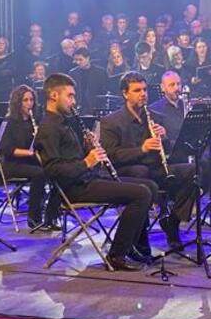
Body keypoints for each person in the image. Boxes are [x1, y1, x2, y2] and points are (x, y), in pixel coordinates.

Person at [33, 73, 154, 272]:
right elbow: (53, 170)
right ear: (54, 95)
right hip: (74, 188)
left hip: (86, 180)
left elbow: (71, 158)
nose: (74, 101)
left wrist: (88, 148)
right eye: (70, 96)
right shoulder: (49, 128)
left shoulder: (63, 122)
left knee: (150, 186)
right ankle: (117, 255)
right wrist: (87, 162)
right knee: (142, 193)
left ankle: (137, 247)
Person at [99, 73, 196, 252]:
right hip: (127, 174)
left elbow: (166, 151)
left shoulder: (154, 116)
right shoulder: (111, 121)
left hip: (154, 169)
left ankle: (172, 222)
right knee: (141, 171)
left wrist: (164, 138)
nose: (143, 94)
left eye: (144, 90)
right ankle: (139, 241)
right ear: (125, 94)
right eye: (137, 90)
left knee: (193, 170)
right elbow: (111, 156)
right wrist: (141, 149)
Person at [0, 84, 57, 231]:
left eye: (31, 100)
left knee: (56, 169)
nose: (29, 103)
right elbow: (5, 149)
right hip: (12, 164)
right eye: (25, 100)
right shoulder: (10, 122)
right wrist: (29, 153)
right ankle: (34, 218)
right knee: (40, 173)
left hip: (30, 162)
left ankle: (51, 216)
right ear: (18, 103)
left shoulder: (33, 120)